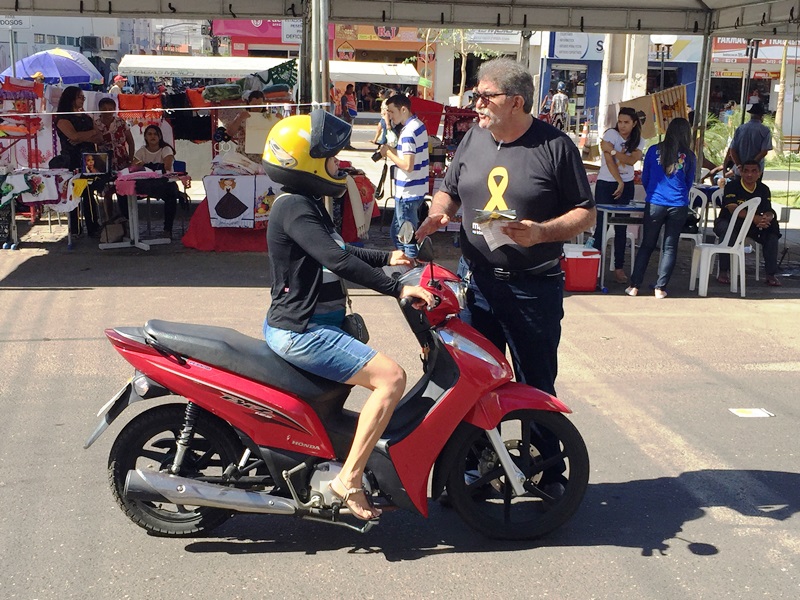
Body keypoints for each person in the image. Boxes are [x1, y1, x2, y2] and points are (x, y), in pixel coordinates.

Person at [261, 109, 434, 520]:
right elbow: (336, 259)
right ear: (305, 162)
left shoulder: (305, 204)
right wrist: (397, 287)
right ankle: (349, 478)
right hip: (303, 330)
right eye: (332, 158)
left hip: (310, 324)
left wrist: (386, 255)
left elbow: (339, 249)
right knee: (391, 378)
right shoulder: (294, 208)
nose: (339, 164)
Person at [416, 57, 595, 399]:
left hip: (532, 290)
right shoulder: (473, 139)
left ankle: (541, 452)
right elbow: (449, 191)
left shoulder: (556, 147)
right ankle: (481, 454)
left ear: (516, 102)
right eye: (475, 95)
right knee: (473, 386)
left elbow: (586, 214)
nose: (476, 104)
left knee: (534, 387)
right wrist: (440, 212)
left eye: (486, 96)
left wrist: (540, 232)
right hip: (478, 285)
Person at [625, 118, 696, 299]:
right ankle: (660, 288)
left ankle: (634, 286)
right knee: (670, 246)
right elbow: (689, 182)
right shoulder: (689, 155)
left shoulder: (653, 150)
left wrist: (652, 194)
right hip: (678, 204)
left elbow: (646, 178)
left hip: (655, 202)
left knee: (647, 245)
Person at [593, 106, 645, 283]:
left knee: (622, 228)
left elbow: (631, 160)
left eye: (626, 122)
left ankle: (619, 267)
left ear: (634, 123)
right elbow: (608, 161)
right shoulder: (610, 135)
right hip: (606, 183)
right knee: (601, 226)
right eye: (620, 122)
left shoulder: (639, 140)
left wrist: (614, 151)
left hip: (628, 185)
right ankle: (595, 264)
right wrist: (619, 181)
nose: (622, 126)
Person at [714, 160, 782, 287]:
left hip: (752, 225)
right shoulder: (732, 186)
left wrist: (767, 218)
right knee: (728, 231)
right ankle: (724, 271)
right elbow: (733, 209)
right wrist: (754, 218)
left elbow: (768, 208)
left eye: (754, 171)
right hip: (729, 221)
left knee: (772, 230)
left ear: (759, 173)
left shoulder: (763, 189)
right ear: (741, 172)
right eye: (746, 171)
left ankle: (771, 274)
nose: (749, 174)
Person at [379, 93, 429, 258]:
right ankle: (407, 267)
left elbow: (408, 165)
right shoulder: (418, 125)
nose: (390, 116)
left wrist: (388, 153)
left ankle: (411, 270)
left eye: (392, 112)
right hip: (416, 190)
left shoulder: (408, 132)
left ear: (403, 110)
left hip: (407, 192)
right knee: (398, 233)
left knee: (406, 239)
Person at [55, 85, 104, 238]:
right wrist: (90, 134)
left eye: (83, 97)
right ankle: (75, 228)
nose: (82, 99)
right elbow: (73, 136)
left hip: (89, 159)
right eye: (79, 97)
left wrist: (83, 136)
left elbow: (99, 137)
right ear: (71, 98)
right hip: (72, 159)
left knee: (89, 192)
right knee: (74, 193)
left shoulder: (86, 116)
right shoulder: (63, 118)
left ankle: (92, 226)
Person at [132, 124, 179, 238]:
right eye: (149, 134)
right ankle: (130, 227)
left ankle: (167, 229)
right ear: (145, 137)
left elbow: (167, 167)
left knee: (171, 194)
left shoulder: (166, 149)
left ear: (160, 136)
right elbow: (134, 166)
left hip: (163, 183)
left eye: (155, 134)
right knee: (123, 193)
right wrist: (154, 167)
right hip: (145, 184)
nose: (152, 136)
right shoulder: (141, 151)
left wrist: (146, 166)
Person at [95, 96, 135, 220]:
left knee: (121, 188)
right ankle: (109, 219)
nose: (108, 111)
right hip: (104, 160)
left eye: (110, 108)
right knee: (106, 190)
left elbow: (130, 141)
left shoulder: (120, 122)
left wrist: (130, 159)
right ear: (100, 109)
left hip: (121, 159)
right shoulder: (95, 124)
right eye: (104, 108)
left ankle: (125, 218)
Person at [729, 103, 772, 176]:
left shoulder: (740, 129)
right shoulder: (765, 130)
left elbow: (732, 150)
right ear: (761, 116)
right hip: (756, 171)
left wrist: (739, 165)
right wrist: (751, 166)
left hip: (740, 171)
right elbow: (764, 152)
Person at [226, 90, 268, 163]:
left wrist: (279, 120)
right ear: (249, 104)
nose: (257, 108)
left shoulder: (269, 118)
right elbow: (229, 133)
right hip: (244, 157)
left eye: (259, 105)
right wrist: (239, 118)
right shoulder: (243, 116)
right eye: (254, 105)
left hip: (263, 157)